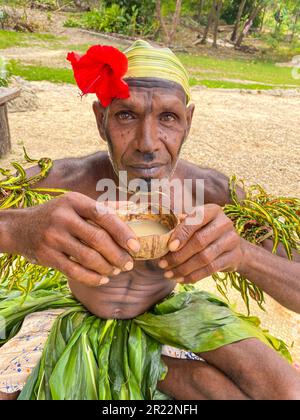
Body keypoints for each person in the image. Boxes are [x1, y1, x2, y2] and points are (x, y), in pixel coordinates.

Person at [0, 40, 299, 400]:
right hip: (72, 315)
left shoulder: (210, 190)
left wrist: (243, 254)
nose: (147, 143)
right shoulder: (62, 181)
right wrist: (16, 229)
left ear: (188, 121)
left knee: (288, 391)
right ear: (101, 119)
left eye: (168, 118)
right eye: (126, 115)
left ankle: (157, 367)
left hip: (172, 318)